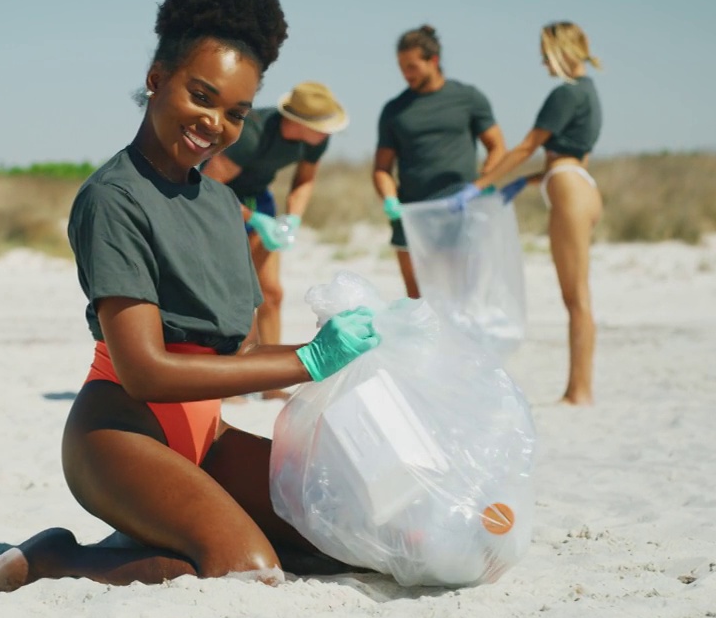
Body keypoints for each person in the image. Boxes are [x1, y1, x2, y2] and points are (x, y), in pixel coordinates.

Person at [0, 0, 380, 595]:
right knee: (248, 570)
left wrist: (339, 346)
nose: (216, 123)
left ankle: (165, 529)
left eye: (235, 112)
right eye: (201, 96)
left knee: (347, 536)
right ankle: (50, 558)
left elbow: (234, 355)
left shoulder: (219, 202)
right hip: (119, 438)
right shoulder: (113, 199)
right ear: (157, 80)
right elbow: (146, 372)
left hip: (204, 437)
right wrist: (307, 361)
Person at [474, 22, 603, 405]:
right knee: (578, 297)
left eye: (545, 54)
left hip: (566, 187)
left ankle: (580, 391)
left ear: (561, 51)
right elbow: (569, 158)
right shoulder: (590, 94)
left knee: (576, 299)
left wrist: (481, 185)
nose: (542, 62)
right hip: (577, 184)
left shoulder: (565, 94)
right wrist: (517, 185)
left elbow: (527, 146)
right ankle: (578, 388)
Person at [202, 81, 348, 400]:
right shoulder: (250, 133)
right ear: (298, 123)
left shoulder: (315, 142)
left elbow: (304, 181)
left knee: (271, 292)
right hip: (219, 203)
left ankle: (269, 384)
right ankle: (230, 380)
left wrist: (292, 218)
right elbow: (208, 186)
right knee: (235, 294)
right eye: (322, 126)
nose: (328, 133)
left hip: (260, 200)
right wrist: (253, 220)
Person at [371, 25, 507, 298]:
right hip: (409, 215)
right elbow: (382, 169)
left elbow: (497, 148)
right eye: (401, 66)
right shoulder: (394, 110)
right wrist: (389, 199)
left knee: (455, 294)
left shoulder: (468, 98)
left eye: (412, 66)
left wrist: (480, 186)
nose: (405, 74)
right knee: (417, 300)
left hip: (457, 211)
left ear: (433, 61)